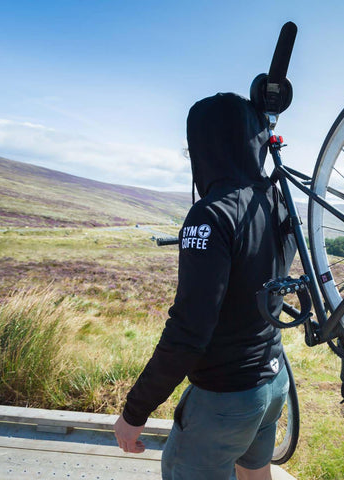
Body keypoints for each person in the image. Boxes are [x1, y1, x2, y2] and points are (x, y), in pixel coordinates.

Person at [114, 92, 296, 480]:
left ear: (205, 147)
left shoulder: (210, 213)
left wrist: (134, 412)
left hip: (223, 400)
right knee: (254, 474)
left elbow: (189, 331)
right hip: (273, 381)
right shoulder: (277, 202)